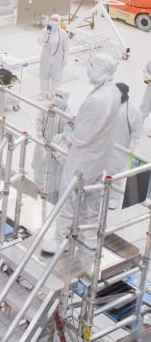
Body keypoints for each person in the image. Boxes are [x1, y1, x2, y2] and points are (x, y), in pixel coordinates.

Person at [42, 54, 120, 254]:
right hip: (100, 157)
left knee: (69, 195)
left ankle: (60, 239)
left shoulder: (99, 98)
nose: (89, 70)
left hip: (83, 157)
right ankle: (89, 236)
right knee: (93, 195)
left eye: (92, 66)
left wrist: (68, 135)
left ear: (101, 69)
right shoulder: (112, 91)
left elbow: (83, 136)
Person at [108, 83, 143, 209]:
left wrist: (130, 151)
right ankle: (104, 190)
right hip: (106, 145)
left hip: (121, 149)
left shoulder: (132, 111)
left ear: (123, 93)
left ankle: (114, 197)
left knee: (116, 173)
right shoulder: (109, 104)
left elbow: (136, 134)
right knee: (103, 169)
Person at [32, 88, 71, 193]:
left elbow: (66, 133)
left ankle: (48, 188)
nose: (57, 98)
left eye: (60, 97)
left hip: (56, 146)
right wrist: (40, 138)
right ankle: (39, 184)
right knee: (39, 163)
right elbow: (39, 121)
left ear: (65, 99)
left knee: (52, 169)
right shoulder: (47, 106)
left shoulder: (67, 113)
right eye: (56, 95)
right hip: (43, 141)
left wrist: (57, 145)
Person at [37, 14, 69, 100]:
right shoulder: (44, 31)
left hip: (58, 59)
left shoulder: (63, 34)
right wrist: (46, 34)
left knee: (56, 78)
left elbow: (66, 47)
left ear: (59, 22)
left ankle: (54, 94)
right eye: (52, 19)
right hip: (46, 58)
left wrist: (65, 58)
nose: (54, 21)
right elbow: (40, 42)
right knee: (44, 76)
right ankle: (43, 93)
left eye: (56, 20)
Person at [141, 60, 151, 131]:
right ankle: (137, 126)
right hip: (150, 88)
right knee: (144, 107)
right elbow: (145, 71)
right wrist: (148, 78)